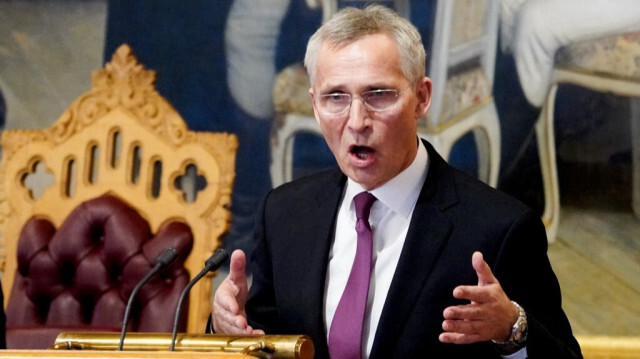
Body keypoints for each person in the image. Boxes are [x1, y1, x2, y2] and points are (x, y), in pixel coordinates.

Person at [212, 5, 582, 359]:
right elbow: (262, 340)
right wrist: (223, 330)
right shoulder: (284, 213)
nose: (357, 120)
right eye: (336, 97)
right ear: (314, 104)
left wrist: (511, 330)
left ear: (421, 98)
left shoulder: (500, 229)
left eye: (378, 94)